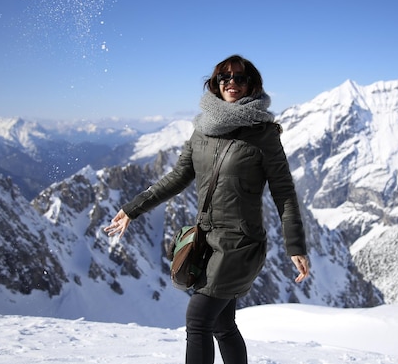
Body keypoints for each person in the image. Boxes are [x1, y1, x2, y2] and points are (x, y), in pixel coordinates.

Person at [104, 55, 310, 364]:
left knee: (198, 317)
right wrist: (133, 209)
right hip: (206, 240)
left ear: (252, 84)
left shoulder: (264, 134)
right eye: (223, 78)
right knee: (222, 325)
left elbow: (285, 193)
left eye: (240, 78)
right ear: (214, 85)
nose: (231, 83)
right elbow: (177, 177)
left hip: (240, 243)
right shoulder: (202, 130)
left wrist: (295, 244)